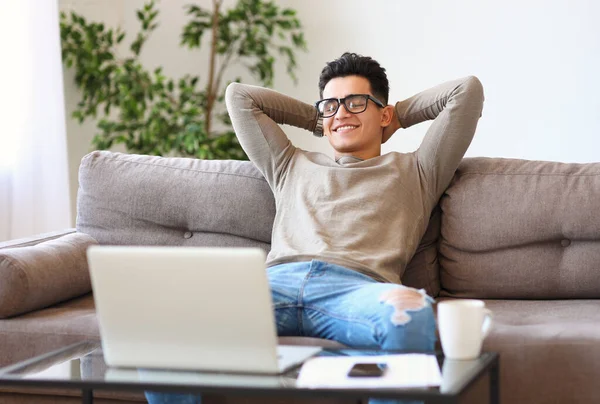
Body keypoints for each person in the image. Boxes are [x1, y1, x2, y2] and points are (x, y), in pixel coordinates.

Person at [145, 52, 484, 404]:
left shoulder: (418, 169)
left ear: (382, 113)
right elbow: (240, 97)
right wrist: (318, 118)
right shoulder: (289, 162)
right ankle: (328, 370)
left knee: (411, 316)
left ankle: (313, 371)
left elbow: (466, 92)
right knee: (167, 320)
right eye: (331, 105)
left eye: (355, 103)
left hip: (357, 289)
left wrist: (396, 116)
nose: (341, 113)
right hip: (274, 283)